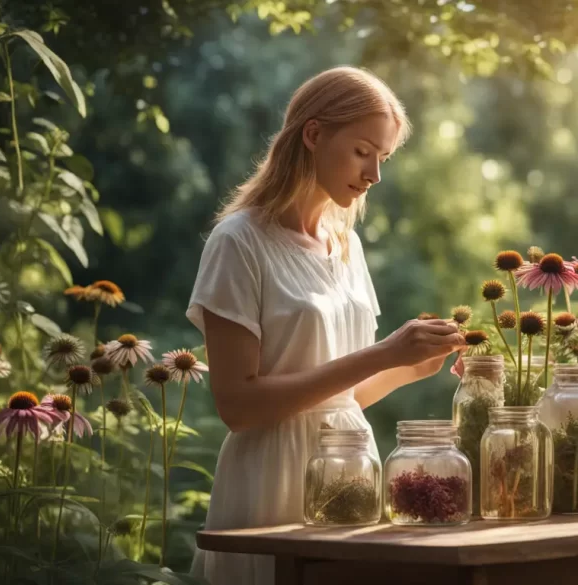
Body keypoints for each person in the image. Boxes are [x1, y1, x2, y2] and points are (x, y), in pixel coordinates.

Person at [185, 66, 465, 585]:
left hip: (350, 471)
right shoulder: (238, 242)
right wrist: (383, 353)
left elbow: (344, 396)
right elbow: (237, 407)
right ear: (313, 134)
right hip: (270, 479)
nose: (374, 175)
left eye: (382, 158)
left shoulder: (347, 246)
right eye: (363, 151)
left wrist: (413, 365)